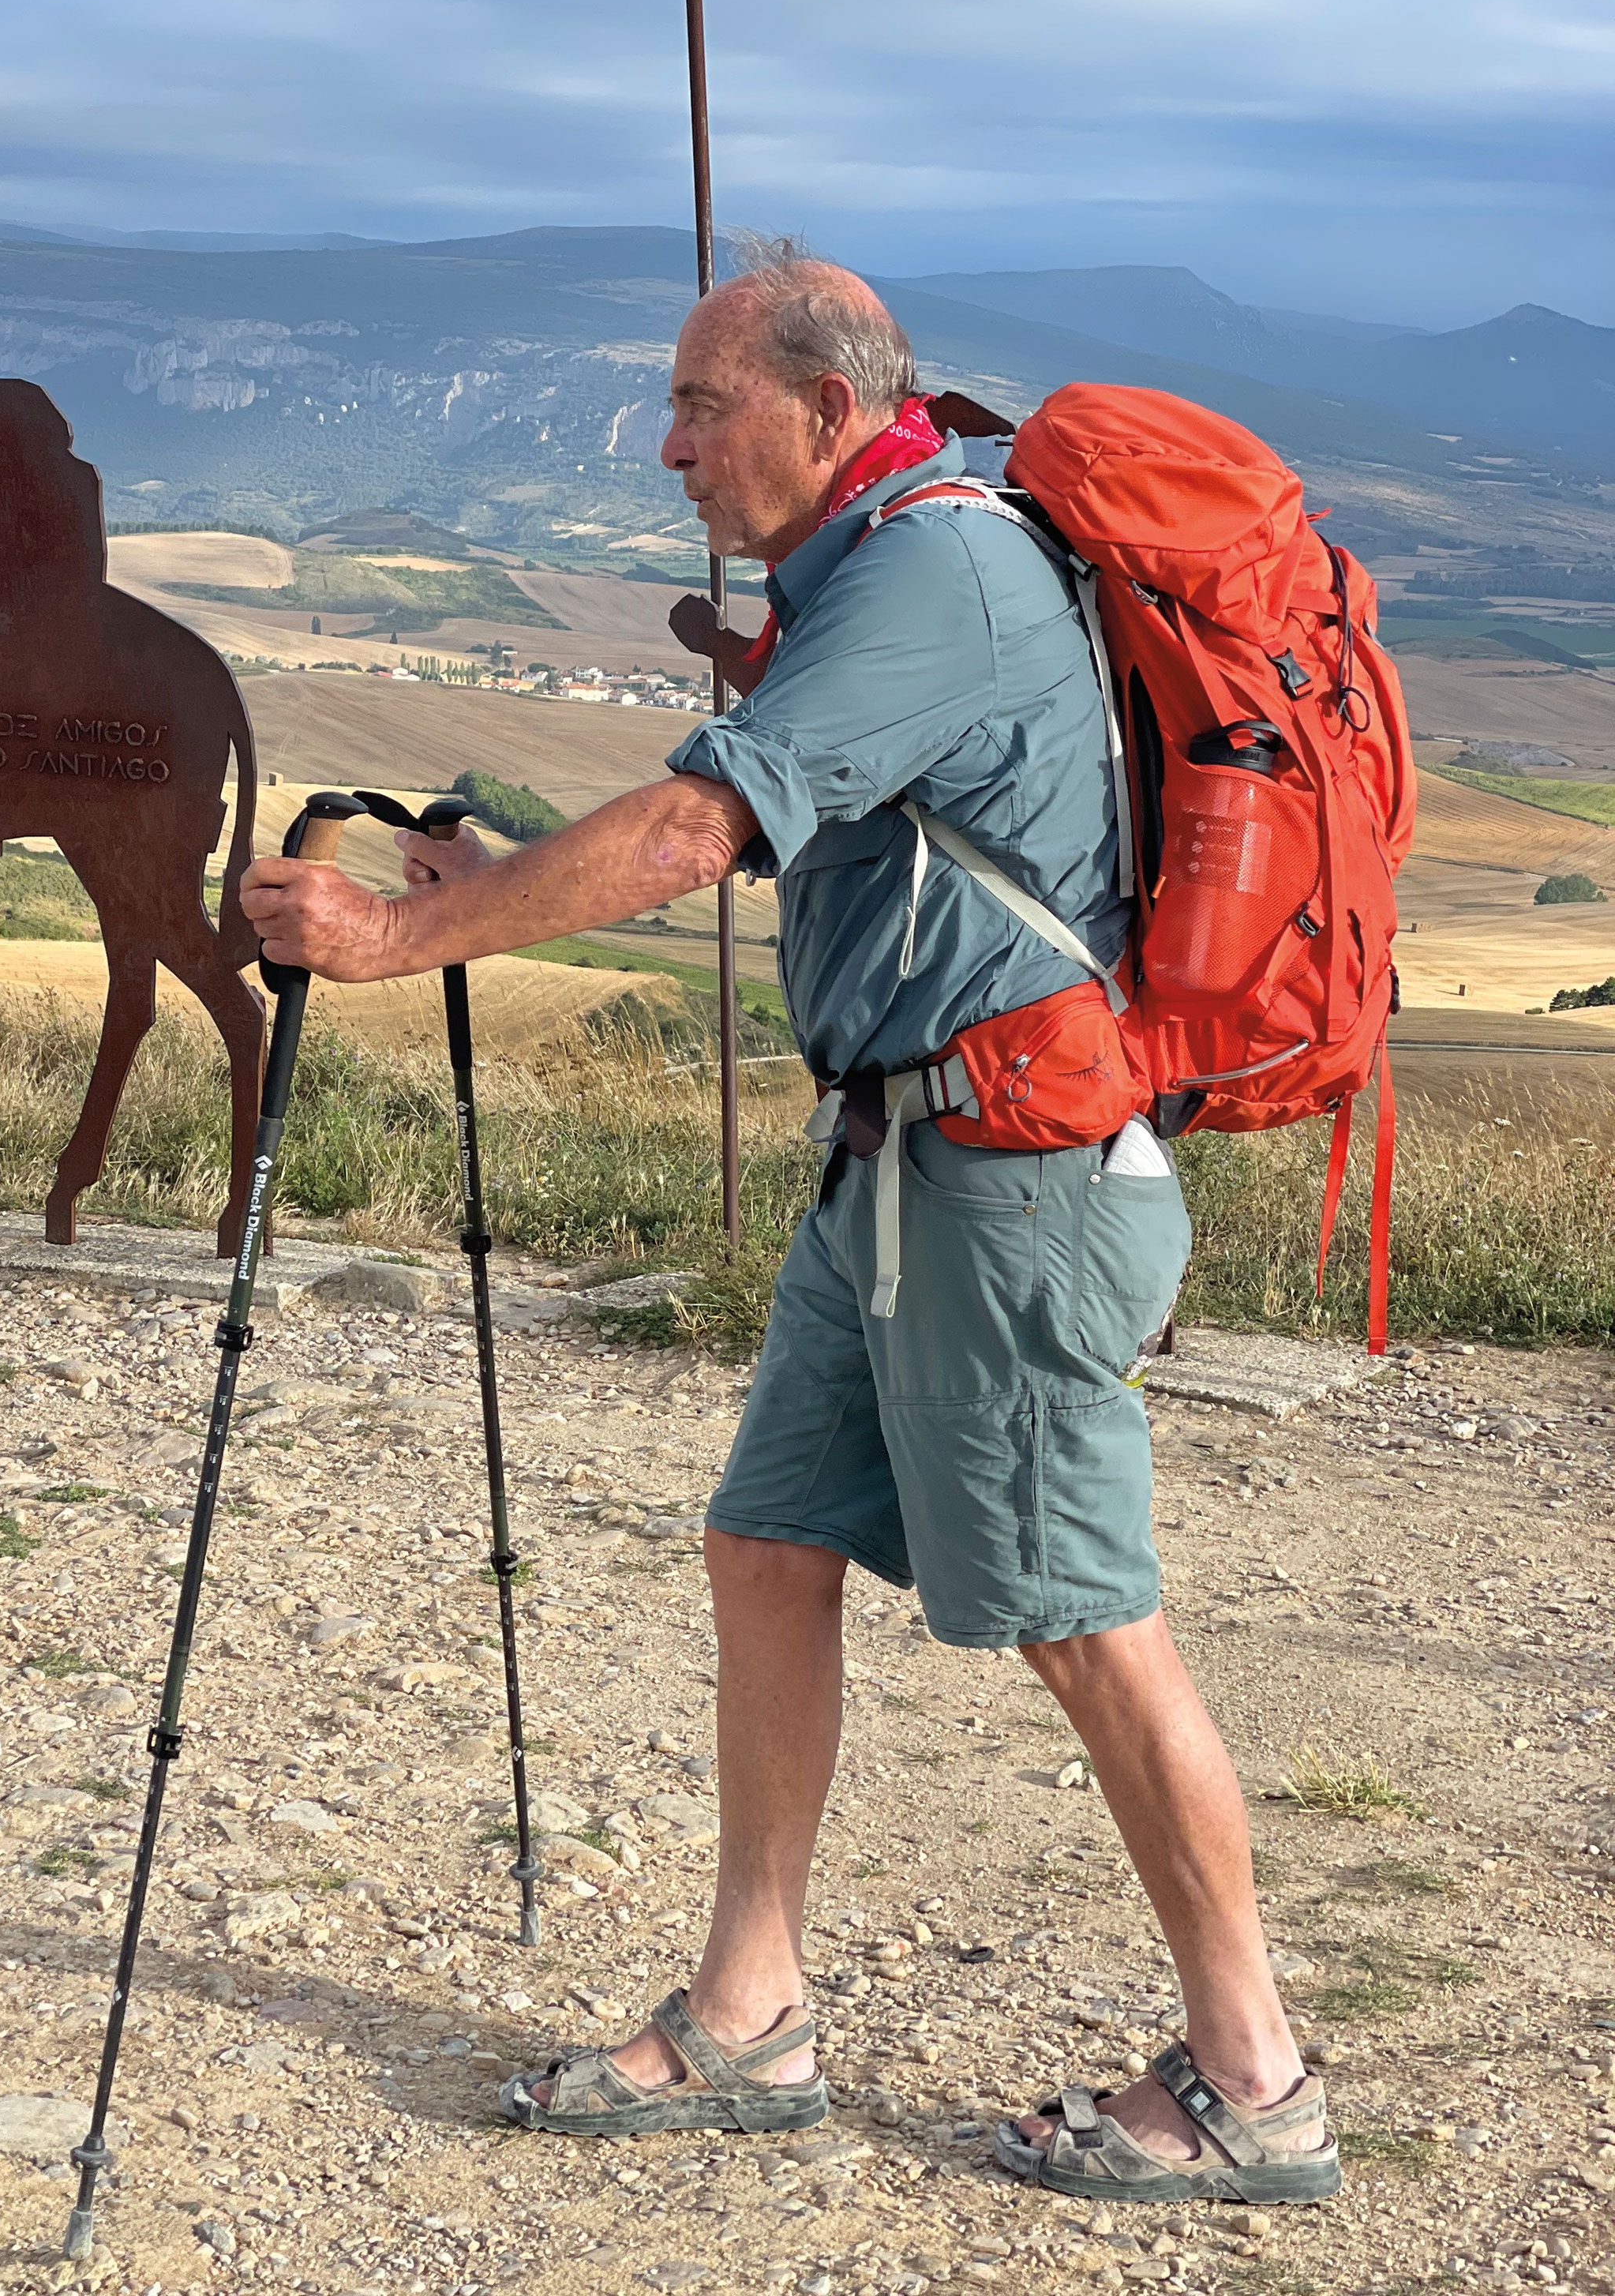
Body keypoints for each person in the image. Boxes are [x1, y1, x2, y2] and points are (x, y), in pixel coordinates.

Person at [238, 238, 1338, 2206]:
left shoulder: (936, 570)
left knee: (1083, 1625)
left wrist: (409, 931)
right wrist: (496, 880)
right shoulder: (884, 562)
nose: (668, 447)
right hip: (901, 1169)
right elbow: (821, 844)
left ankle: (1259, 2084)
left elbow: (694, 829)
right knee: (767, 1545)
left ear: (828, 411)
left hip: (1008, 1190)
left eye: (699, 403)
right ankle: (751, 2017)